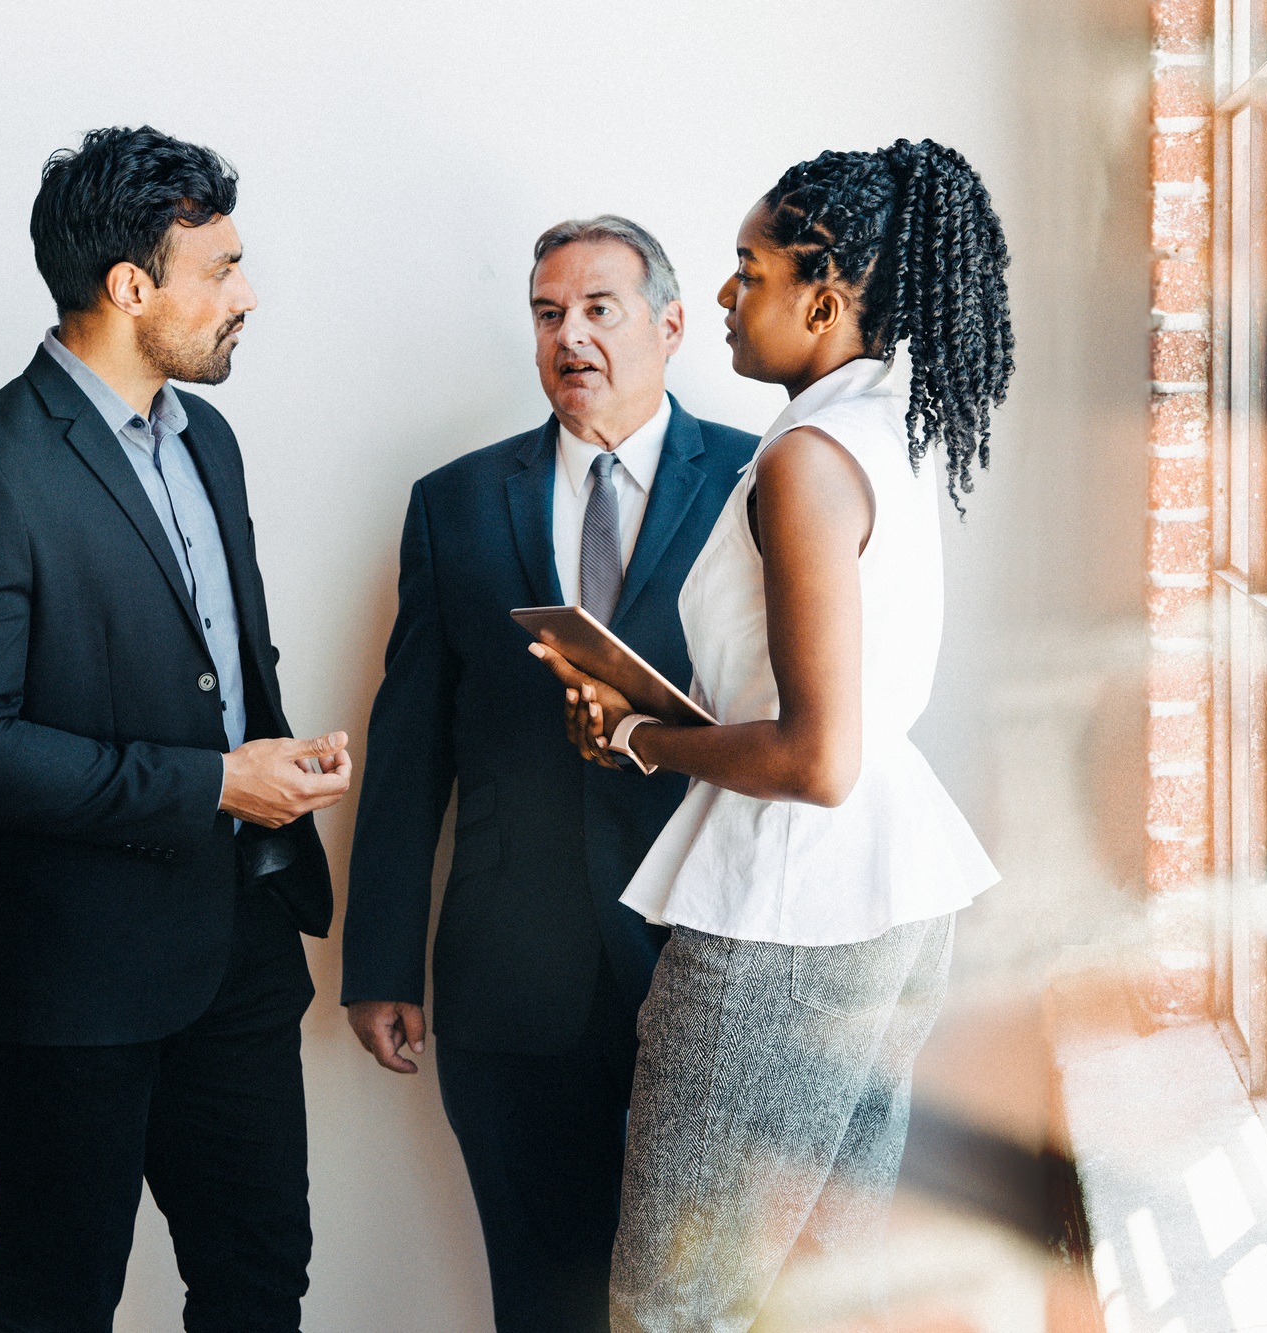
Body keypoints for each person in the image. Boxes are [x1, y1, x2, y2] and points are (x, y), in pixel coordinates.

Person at [533, 138, 1014, 1332]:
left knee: (670, 1304)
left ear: (826, 296)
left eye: (750, 269)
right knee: (811, 1292)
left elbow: (812, 756)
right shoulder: (884, 431)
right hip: (890, 898)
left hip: (787, 912)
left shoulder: (803, 458)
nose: (731, 297)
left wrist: (643, 735)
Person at [0, 126, 351, 1333]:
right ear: (129, 287)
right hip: (66, 976)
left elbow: (212, 675)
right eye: (222, 269)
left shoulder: (215, 441)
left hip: (242, 949)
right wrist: (209, 782)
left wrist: (274, 764)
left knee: (258, 1285)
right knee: (58, 1300)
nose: (246, 296)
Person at [339, 216, 758, 1332]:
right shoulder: (455, 502)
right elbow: (410, 742)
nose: (568, 336)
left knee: (709, 1300)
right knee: (544, 1299)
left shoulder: (762, 479)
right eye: (545, 313)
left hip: (706, 958)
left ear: (669, 327)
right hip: (510, 979)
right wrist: (380, 958)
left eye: (598, 309)